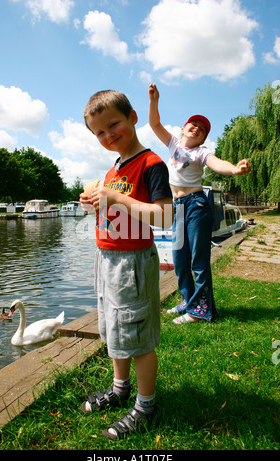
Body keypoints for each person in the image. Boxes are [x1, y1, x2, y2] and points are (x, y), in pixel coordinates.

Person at [80, 89, 173, 439]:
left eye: (113, 124)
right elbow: (114, 209)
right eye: (99, 132)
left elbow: (164, 216)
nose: (107, 135)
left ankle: (145, 406)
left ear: (133, 117)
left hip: (133, 261)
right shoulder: (112, 169)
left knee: (137, 336)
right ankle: (120, 390)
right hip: (106, 259)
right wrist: (95, 203)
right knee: (115, 329)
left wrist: (117, 197)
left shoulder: (151, 164)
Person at [148, 83, 251, 325]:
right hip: (177, 207)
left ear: (203, 138)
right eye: (193, 124)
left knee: (198, 259)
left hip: (196, 205)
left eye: (202, 129)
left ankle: (200, 311)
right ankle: (187, 301)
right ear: (184, 128)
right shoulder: (173, 144)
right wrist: (154, 100)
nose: (197, 128)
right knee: (180, 259)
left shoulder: (201, 153)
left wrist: (235, 170)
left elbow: (217, 163)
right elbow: (154, 124)